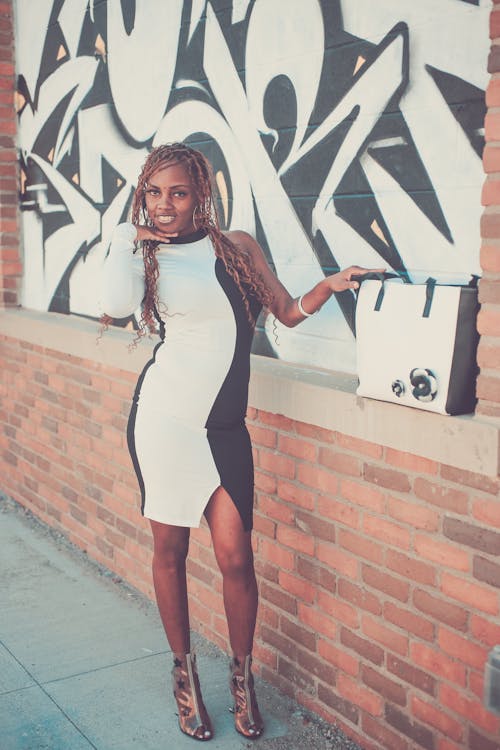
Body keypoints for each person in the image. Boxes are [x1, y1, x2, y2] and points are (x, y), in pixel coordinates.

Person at [100, 142, 382, 742]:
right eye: (154, 193)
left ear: (201, 192)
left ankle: (242, 680)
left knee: (235, 558)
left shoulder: (237, 246)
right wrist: (123, 237)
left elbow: (284, 311)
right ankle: (184, 681)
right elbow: (113, 305)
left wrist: (330, 285)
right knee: (170, 552)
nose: (166, 206)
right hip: (165, 421)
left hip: (224, 429)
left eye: (178, 192)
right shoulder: (145, 256)